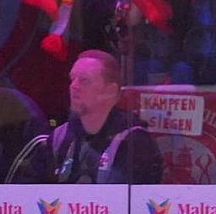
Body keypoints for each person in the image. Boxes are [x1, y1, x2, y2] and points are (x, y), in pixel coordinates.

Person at [43, 50, 163, 183]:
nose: (73, 86)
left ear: (110, 91)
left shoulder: (135, 144)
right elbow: (33, 190)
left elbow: (135, 195)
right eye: (72, 79)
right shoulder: (59, 138)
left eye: (84, 80)